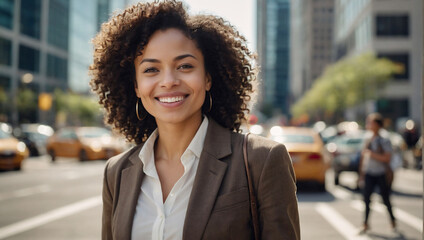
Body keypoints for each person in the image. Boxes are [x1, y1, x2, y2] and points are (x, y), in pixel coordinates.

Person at [89, 1, 300, 239]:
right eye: (151, 70)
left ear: (208, 78)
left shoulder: (262, 160)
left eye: (185, 66)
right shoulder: (116, 172)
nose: (169, 81)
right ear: (136, 86)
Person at [358, 113, 396, 233]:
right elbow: (363, 157)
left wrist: (372, 154)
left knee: (385, 198)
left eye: (370, 122)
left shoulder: (384, 140)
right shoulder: (368, 138)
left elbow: (387, 158)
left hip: (381, 173)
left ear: (377, 125)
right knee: (366, 199)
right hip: (369, 172)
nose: (368, 124)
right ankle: (365, 224)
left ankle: (393, 221)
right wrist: (361, 174)